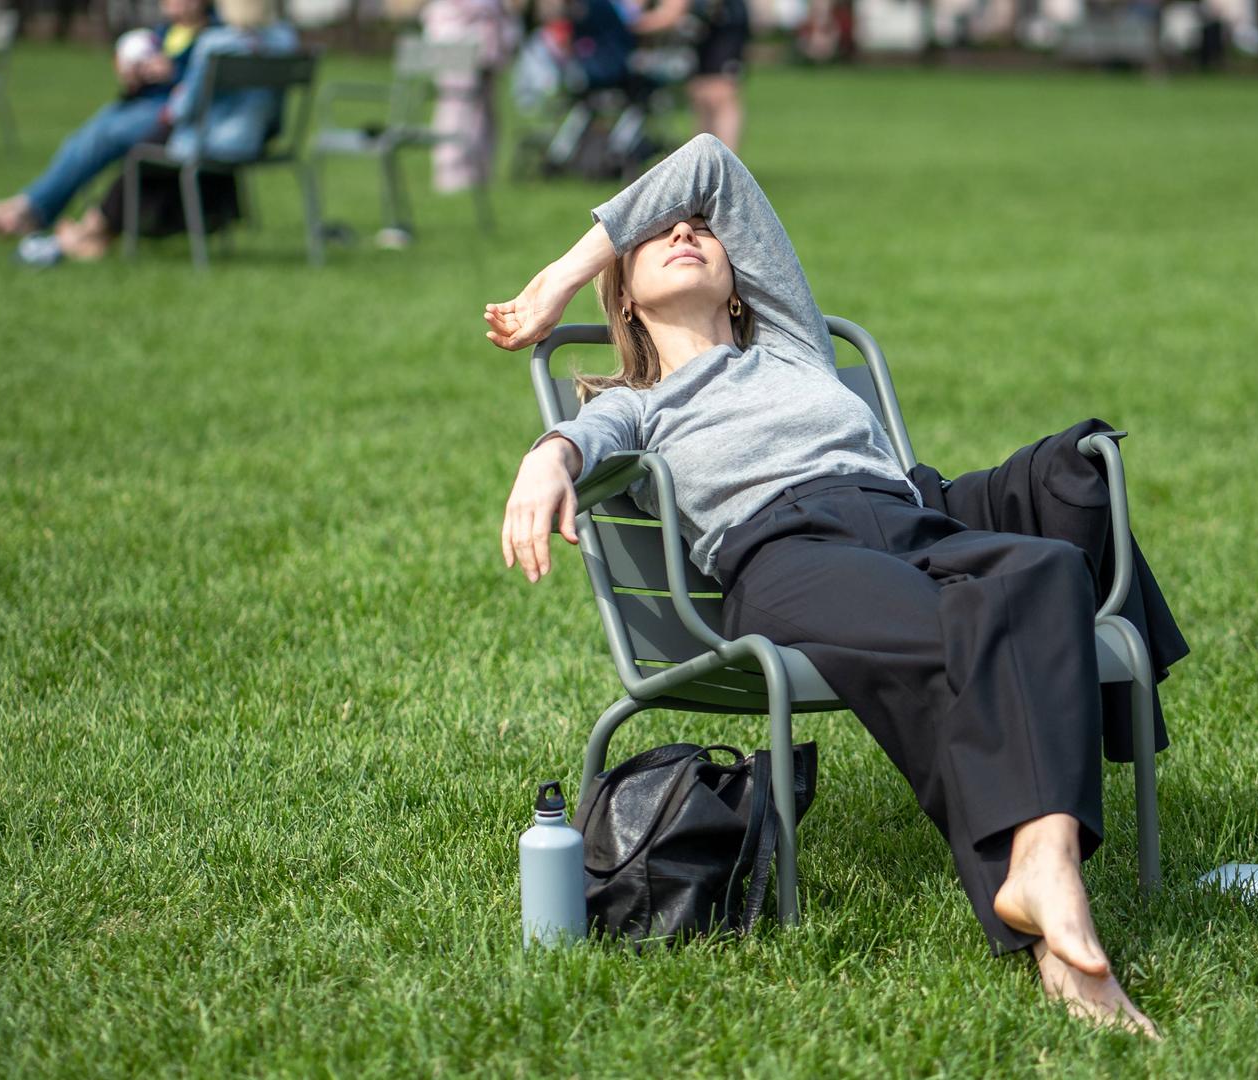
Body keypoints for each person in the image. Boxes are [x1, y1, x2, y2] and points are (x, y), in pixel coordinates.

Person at [483, 134, 1174, 1036]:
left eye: (700, 230)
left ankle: (1041, 866)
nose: (687, 230)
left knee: (1047, 567)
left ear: (740, 280)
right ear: (628, 291)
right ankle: (1060, 924)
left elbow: (710, 164)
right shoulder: (639, 405)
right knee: (969, 623)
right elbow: (587, 439)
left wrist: (560, 271)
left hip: (905, 517)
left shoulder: (795, 344)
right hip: (785, 556)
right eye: (657, 234)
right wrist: (547, 458)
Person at [32, 0, 298, 264]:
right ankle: (94, 232)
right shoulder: (286, 40)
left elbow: (185, 108)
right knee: (156, 146)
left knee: (147, 153)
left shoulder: (216, 44)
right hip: (257, 141)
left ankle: (92, 230)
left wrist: (172, 97)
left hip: (212, 143)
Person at [0, 0, 212, 238]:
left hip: (174, 117)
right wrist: (136, 75)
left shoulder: (211, 35)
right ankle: (28, 204)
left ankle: (34, 210)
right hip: (143, 105)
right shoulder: (163, 33)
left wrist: (173, 73)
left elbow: (203, 86)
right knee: (82, 138)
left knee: (102, 135)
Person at [421, 0, 521, 193]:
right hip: (459, 43)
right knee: (458, 111)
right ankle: (454, 173)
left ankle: (477, 171)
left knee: (479, 112)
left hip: (476, 46)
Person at [628, 0, 748, 148]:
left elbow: (671, 14)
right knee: (701, 93)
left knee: (721, 92)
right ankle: (705, 158)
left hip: (724, 23)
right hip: (705, 27)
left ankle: (726, 159)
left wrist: (631, 24)